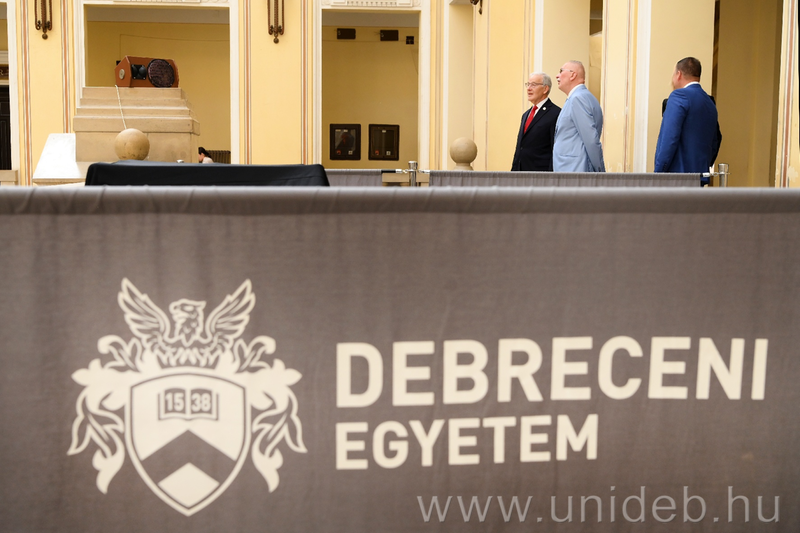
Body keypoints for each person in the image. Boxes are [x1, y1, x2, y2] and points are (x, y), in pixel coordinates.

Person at [655, 57, 721, 184]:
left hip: (676, 179)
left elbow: (669, 138)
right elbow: (715, 141)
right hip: (699, 178)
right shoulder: (710, 103)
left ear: (679, 74)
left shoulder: (679, 96)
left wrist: (658, 173)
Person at [552, 60, 605, 173]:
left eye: (561, 71)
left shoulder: (578, 99)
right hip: (571, 170)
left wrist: (600, 172)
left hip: (575, 171)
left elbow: (591, 139)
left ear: (573, 75)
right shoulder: (582, 97)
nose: (557, 75)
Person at [511, 72, 561, 171]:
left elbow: (555, 149)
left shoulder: (555, 113)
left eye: (533, 85)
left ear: (545, 89)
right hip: (521, 173)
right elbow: (520, 147)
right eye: (528, 84)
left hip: (540, 174)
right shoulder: (526, 115)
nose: (529, 88)